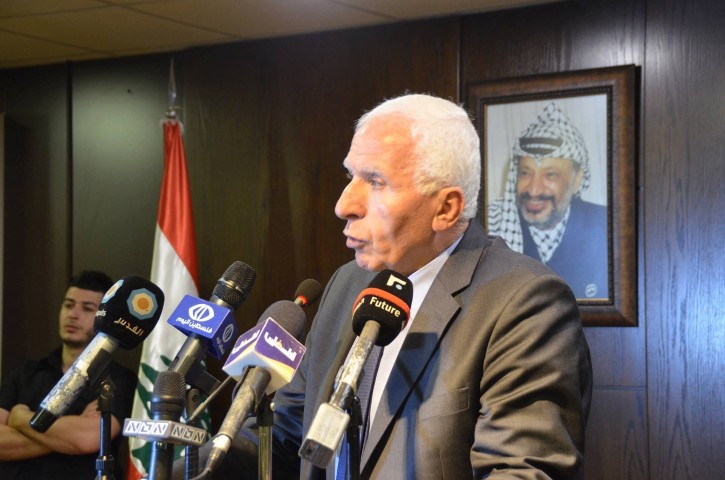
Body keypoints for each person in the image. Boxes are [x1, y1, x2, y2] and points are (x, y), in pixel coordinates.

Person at [185, 93, 592, 479]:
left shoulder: (524, 303)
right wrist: (181, 465)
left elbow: (521, 470)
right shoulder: (349, 283)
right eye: (351, 175)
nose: (344, 205)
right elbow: (285, 437)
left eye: (376, 181)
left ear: (446, 208)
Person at [0, 270, 138, 479]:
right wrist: (67, 435)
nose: (73, 314)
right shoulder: (26, 373)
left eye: (87, 308)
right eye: (68, 305)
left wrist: (20, 419)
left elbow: (88, 439)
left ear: (104, 317)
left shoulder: (116, 379)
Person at [487, 101, 608, 299]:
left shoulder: (605, 226)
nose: (534, 190)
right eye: (525, 173)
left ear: (577, 180)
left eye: (550, 175)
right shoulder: (492, 223)